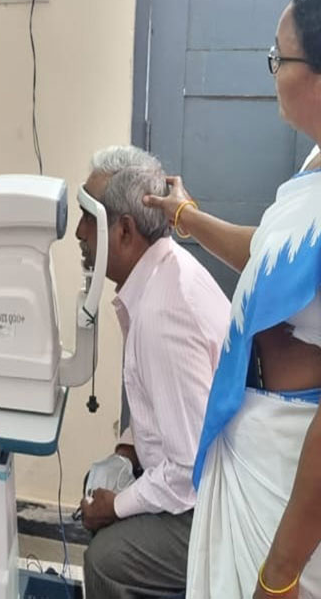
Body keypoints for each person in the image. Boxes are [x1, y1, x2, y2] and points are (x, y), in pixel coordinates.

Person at [143, 0, 321, 597]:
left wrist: (281, 572)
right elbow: (275, 258)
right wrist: (186, 217)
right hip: (262, 442)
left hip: (298, 483)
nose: (272, 69)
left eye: (280, 56)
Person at [73, 146, 230, 598]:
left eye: (89, 217)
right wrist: (127, 448)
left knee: (107, 561)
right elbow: (164, 403)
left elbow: (187, 470)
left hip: (210, 505)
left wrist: (115, 507)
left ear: (123, 230)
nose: (79, 233)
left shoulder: (164, 313)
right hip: (197, 480)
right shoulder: (160, 274)